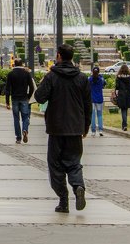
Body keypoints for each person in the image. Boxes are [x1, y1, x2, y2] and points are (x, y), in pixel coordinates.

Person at [34, 43, 91, 212]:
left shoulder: (52, 76)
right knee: (74, 161)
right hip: (75, 127)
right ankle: (78, 186)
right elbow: (87, 104)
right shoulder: (81, 77)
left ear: (58, 56)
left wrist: (44, 79)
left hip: (56, 127)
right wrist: (86, 125)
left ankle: (63, 200)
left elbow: (39, 97)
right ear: (71, 57)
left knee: (55, 164)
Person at [4, 61, 36, 144]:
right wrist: (28, 97)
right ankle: (25, 129)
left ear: (14, 64)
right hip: (24, 98)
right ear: (22, 64)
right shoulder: (27, 73)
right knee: (25, 117)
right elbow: (31, 87)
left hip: (14, 99)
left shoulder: (10, 74)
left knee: (16, 118)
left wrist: (7, 102)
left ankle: (18, 138)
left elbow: (7, 89)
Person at [113, 63, 130, 131]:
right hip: (128, 95)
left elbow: (117, 87)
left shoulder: (118, 77)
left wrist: (116, 94)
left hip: (121, 95)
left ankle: (124, 125)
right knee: (125, 110)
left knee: (123, 110)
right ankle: (124, 125)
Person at [88, 66, 106, 136]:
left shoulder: (90, 79)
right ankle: (100, 130)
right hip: (99, 99)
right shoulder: (101, 79)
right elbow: (104, 84)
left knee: (92, 115)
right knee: (99, 115)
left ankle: (93, 131)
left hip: (92, 99)